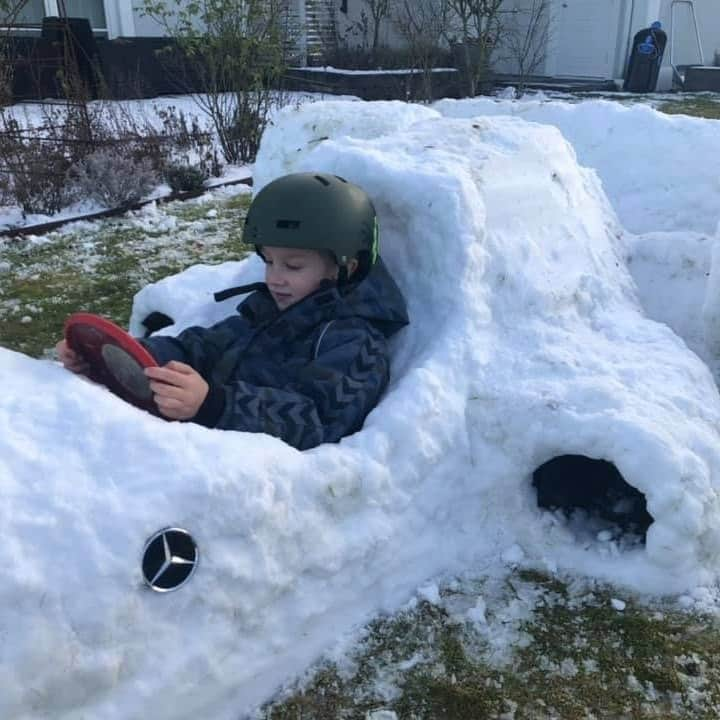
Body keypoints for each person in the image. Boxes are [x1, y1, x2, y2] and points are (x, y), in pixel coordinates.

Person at [56, 172, 409, 450]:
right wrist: (123, 356)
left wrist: (213, 404)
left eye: (294, 266)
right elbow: (200, 346)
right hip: (206, 447)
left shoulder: (355, 342)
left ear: (344, 266)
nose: (275, 278)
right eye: (269, 262)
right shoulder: (270, 312)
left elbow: (317, 421)